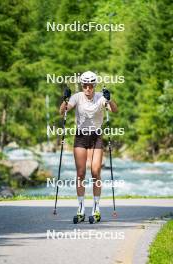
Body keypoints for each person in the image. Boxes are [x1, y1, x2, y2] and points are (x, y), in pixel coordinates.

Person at [59, 71, 117, 223]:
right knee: (80, 173)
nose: (87, 88)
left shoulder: (100, 97)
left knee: (96, 171)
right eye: (85, 85)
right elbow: (63, 112)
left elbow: (114, 110)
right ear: (81, 85)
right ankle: (81, 208)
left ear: (94, 85)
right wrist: (65, 100)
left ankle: (96, 208)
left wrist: (109, 100)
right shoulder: (77, 97)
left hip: (96, 137)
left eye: (90, 85)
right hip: (80, 137)